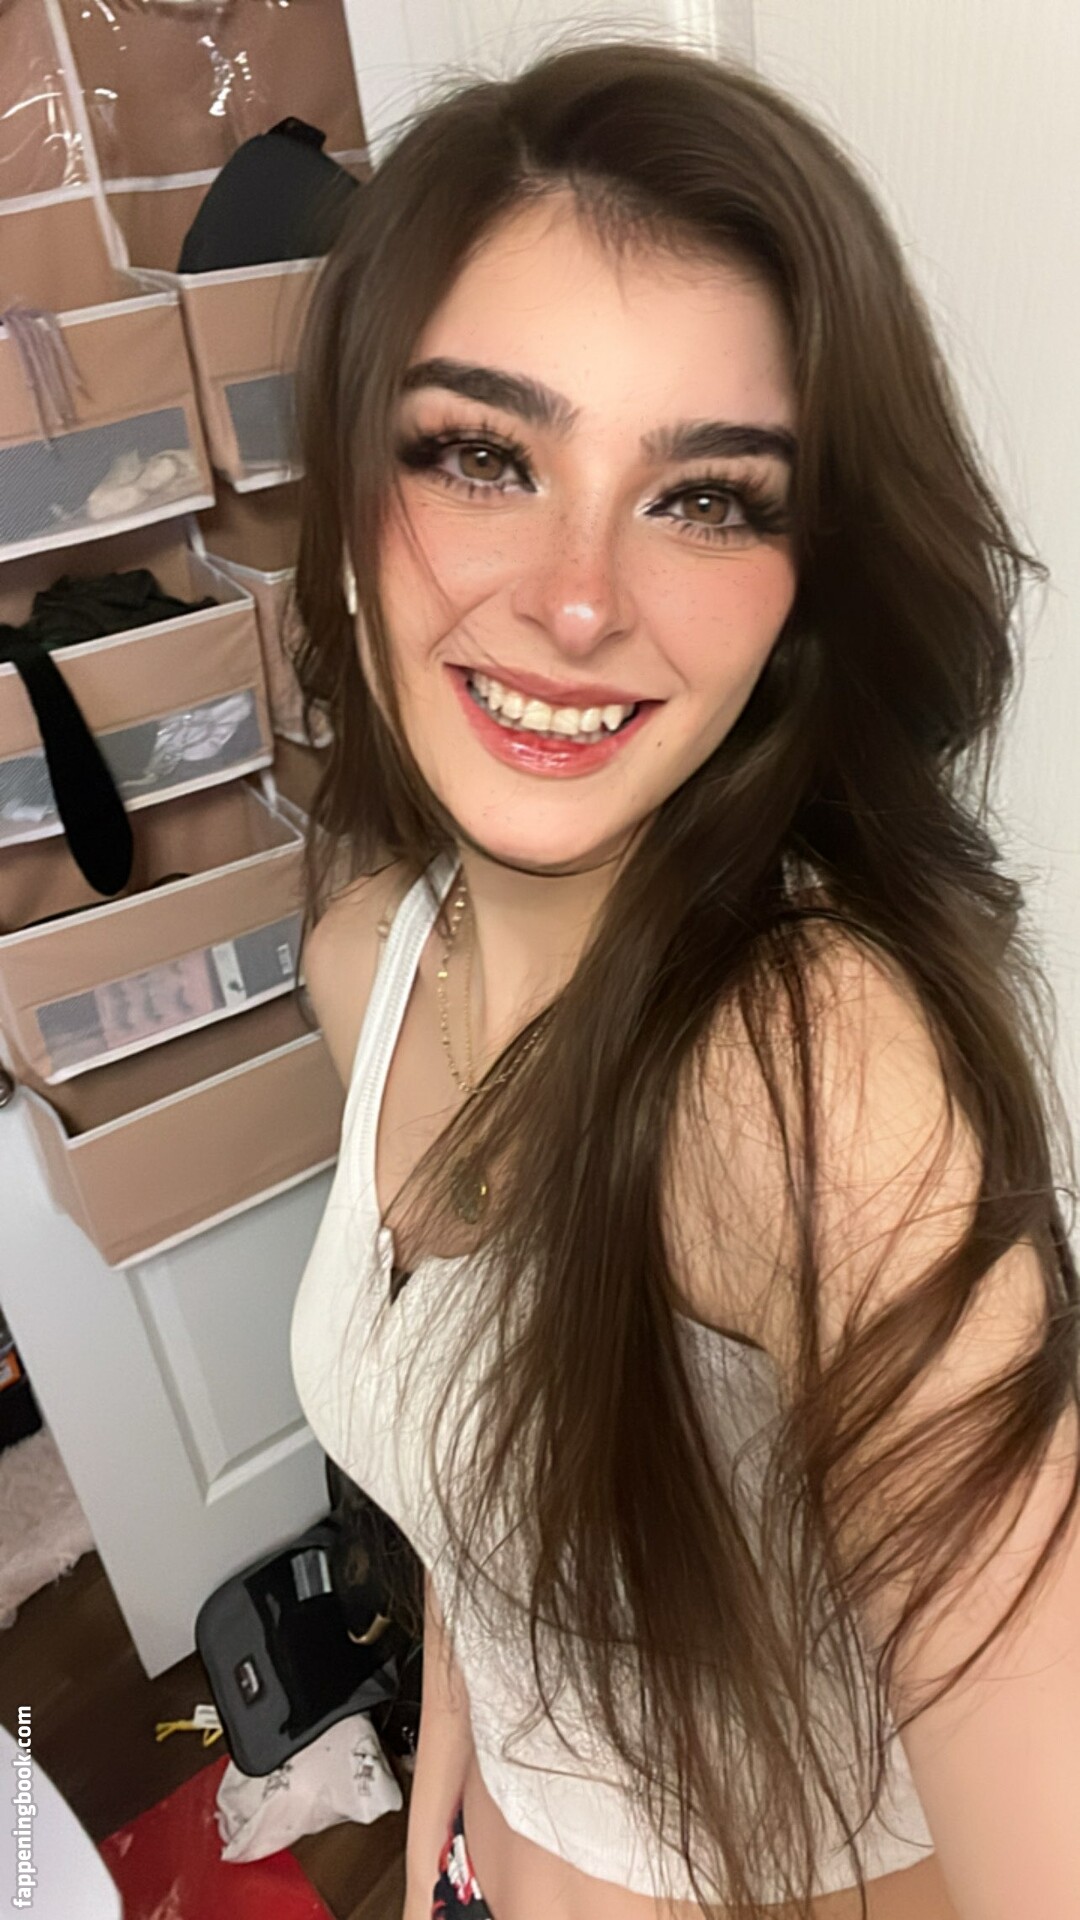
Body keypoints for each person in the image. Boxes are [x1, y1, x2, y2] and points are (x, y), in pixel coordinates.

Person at [288, 36, 1080, 1920]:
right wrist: (451, 1775)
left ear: (806, 586)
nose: (579, 601)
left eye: (708, 498)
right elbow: (487, 1470)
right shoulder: (370, 961)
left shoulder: (806, 1075)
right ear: (347, 504)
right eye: (483, 456)